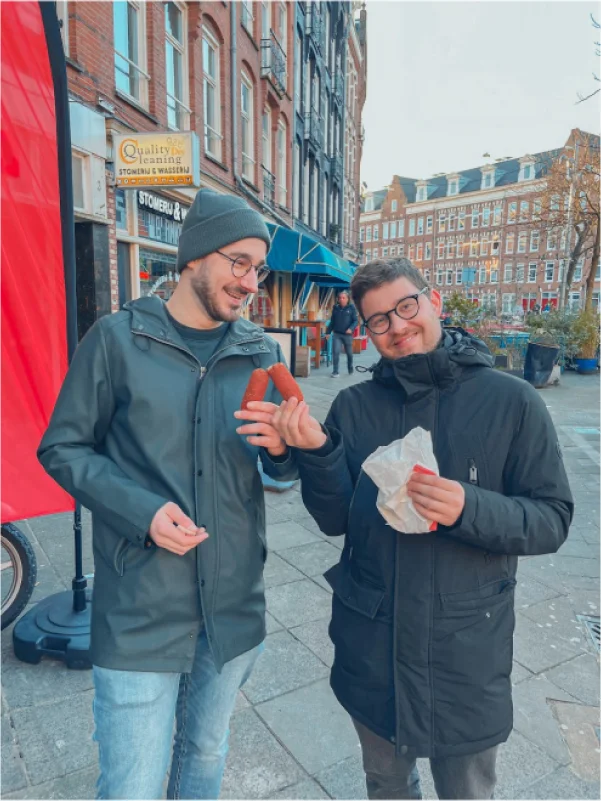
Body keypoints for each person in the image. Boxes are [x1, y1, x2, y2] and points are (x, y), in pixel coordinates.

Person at [266, 258, 573, 800]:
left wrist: (469, 507)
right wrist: (316, 451)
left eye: (406, 306)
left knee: (467, 791)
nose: (398, 326)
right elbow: (335, 519)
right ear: (366, 329)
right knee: (385, 785)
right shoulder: (354, 406)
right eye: (379, 320)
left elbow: (552, 519)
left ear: (433, 301)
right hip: (372, 643)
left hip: (466, 648)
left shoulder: (511, 402)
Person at [38, 188, 297, 800]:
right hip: (141, 605)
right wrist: (143, 510)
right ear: (194, 256)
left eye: (258, 269)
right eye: (239, 262)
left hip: (233, 603)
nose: (250, 282)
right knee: (130, 785)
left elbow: (275, 475)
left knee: (205, 759)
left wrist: (285, 453)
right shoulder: (116, 341)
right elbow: (62, 448)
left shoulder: (257, 350)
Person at [326, 289, 359, 377]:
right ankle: (335, 371)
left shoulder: (351, 308)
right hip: (337, 334)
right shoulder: (335, 308)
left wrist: (351, 329)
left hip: (347, 335)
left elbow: (355, 321)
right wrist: (328, 332)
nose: (341, 299)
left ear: (347, 299)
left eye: (343, 298)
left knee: (349, 353)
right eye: (340, 298)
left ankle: (350, 367)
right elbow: (332, 322)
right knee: (336, 352)